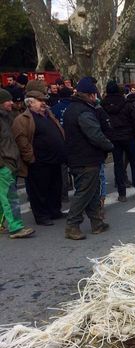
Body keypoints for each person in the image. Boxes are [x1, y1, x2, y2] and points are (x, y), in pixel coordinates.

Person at [62, 76, 114, 240]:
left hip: (80, 157)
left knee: (92, 192)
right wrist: (109, 145)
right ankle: (72, 225)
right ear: (91, 95)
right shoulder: (84, 111)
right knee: (84, 192)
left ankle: (97, 223)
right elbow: (95, 134)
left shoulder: (73, 108)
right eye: (95, 94)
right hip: (86, 158)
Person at [12, 80, 67, 226]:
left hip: (54, 160)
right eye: (40, 100)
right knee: (39, 190)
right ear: (30, 102)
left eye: (44, 100)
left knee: (55, 187)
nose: (43, 103)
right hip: (39, 162)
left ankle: (55, 211)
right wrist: (31, 158)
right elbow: (22, 141)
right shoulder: (23, 119)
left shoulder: (48, 114)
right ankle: (41, 215)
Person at [101, 80, 135, 202]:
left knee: (118, 164)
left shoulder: (103, 105)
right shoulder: (126, 103)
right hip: (128, 136)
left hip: (113, 137)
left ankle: (121, 193)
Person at [0, 89, 35, 238]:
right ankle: (16, 228)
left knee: (3, 197)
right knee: (10, 197)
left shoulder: (6, 117)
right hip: (5, 164)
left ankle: (1, 224)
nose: (12, 102)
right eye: (8, 100)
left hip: (9, 163)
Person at [51, 87, 75, 202]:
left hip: (60, 142)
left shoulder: (54, 108)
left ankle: (64, 194)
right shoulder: (75, 107)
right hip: (75, 142)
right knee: (77, 168)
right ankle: (80, 191)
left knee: (63, 170)